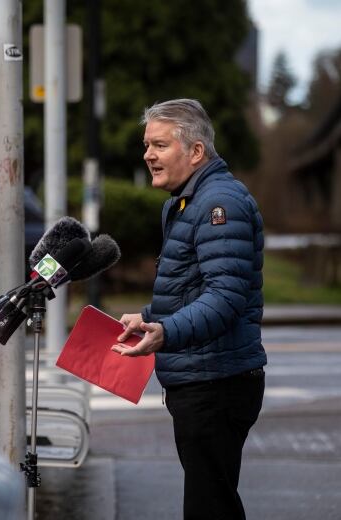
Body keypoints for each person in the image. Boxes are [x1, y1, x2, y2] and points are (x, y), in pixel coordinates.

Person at [112, 98, 267, 520]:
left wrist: (167, 332)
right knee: (210, 503)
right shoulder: (187, 203)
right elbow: (192, 290)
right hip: (202, 378)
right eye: (147, 145)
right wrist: (150, 316)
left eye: (159, 145)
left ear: (195, 152)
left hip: (216, 382)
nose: (147, 155)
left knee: (209, 507)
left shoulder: (221, 205)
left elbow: (225, 297)